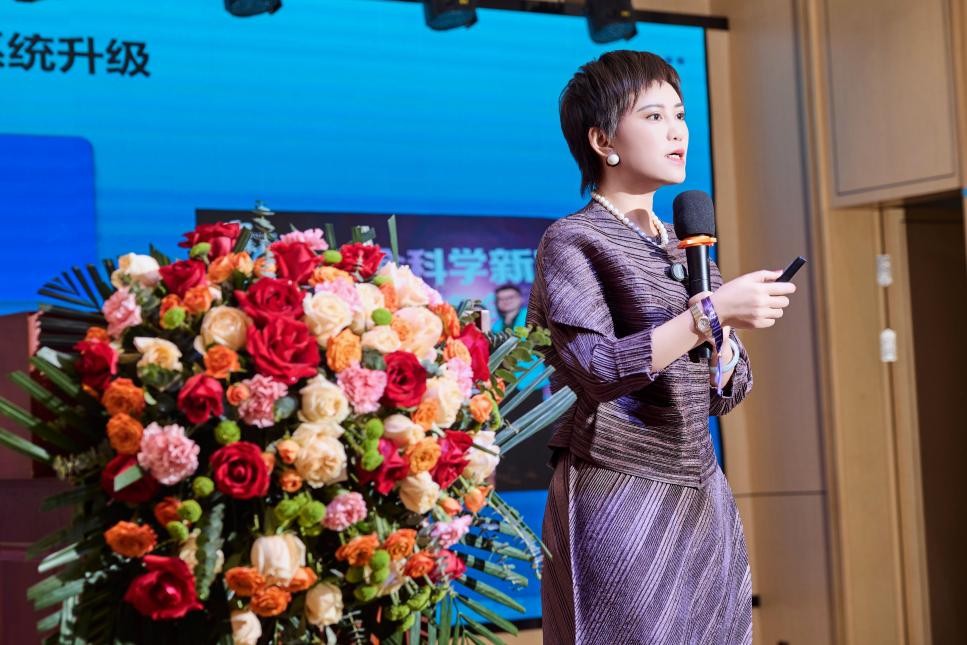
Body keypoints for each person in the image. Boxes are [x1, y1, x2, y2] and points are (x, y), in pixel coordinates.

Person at [527, 50, 797, 644]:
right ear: (602, 140)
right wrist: (708, 316)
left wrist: (724, 339)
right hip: (618, 487)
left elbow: (727, 393)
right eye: (654, 116)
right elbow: (596, 369)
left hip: (701, 489)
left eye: (680, 114)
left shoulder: (687, 245)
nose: (678, 131)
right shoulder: (572, 241)